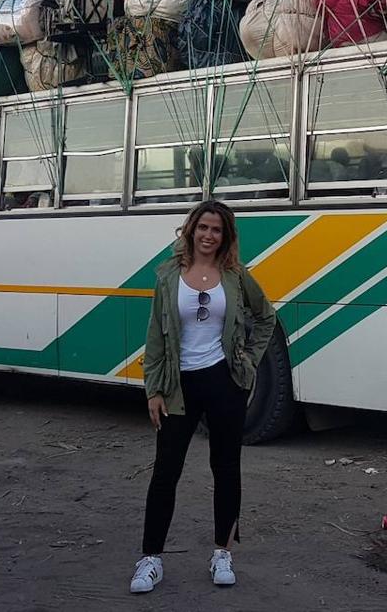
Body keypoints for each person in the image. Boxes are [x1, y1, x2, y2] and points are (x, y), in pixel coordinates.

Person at [130, 199, 277, 595]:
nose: (209, 235)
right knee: (166, 471)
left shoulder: (235, 276)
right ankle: (151, 559)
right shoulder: (168, 275)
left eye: (217, 230)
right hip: (178, 386)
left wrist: (248, 361)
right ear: (191, 230)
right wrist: (153, 389)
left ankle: (222, 554)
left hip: (224, 382)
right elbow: (155, 336)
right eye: (203, 227)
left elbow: (266, 316)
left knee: (226, 468)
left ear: (225, 236)